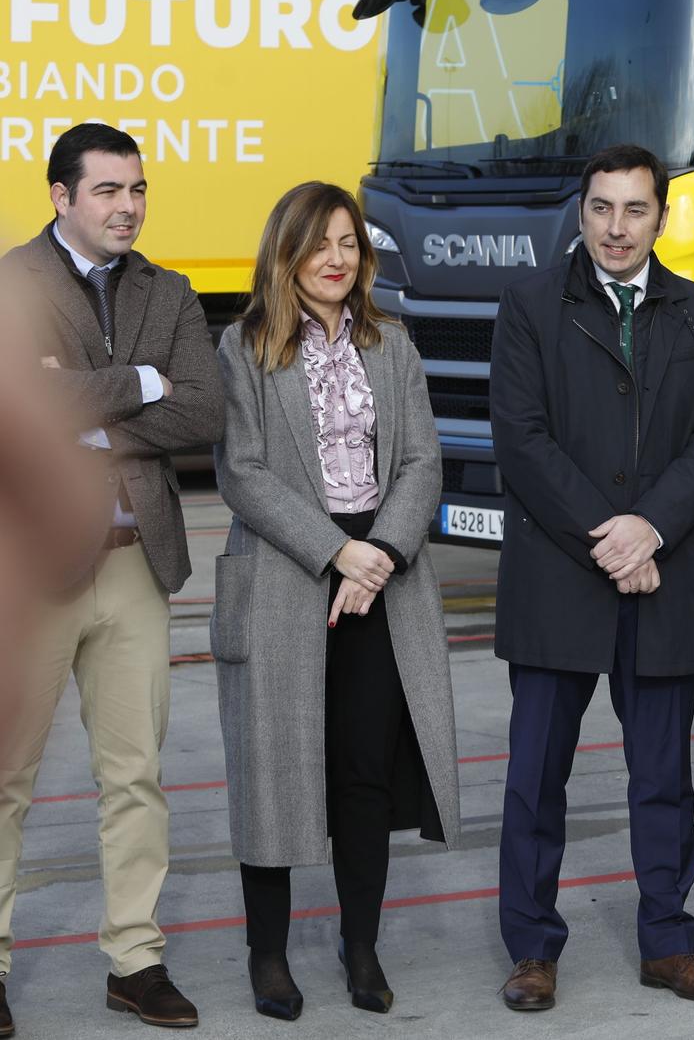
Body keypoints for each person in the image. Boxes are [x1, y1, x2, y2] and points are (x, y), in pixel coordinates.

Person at [489, 145, 694, 1012]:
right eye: (601, 208)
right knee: (535, 778)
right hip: (565, 574)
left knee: (664, 776)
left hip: (659, 578)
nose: (617, 227)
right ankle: (531, 948)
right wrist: (610, 539)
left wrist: (653, 529)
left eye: (635, 210)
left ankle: (669, 943)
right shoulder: (530, 306)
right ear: (582, 211)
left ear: (661, 218)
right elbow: (521, 439)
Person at [211, 182, 461, 1019]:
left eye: (349, 243)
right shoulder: (243, 345)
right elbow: (240, 473)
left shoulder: (392, 344)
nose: (336, 259)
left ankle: (361, 948)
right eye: (319, 243)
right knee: (274, 771)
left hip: (381, 579)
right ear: (286, 251)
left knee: (362, 774)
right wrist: (337, 549)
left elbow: (424, 461)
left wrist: (380, 551)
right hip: (290, 573)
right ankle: (270, 957)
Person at [0, 122, 223, 1033]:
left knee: (134, 775)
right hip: (34, 566)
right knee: (6, 778)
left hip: (137, 564)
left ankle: (136, 959)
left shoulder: (168, 290)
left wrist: (82, 409)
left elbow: (206, 409)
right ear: (60, 196)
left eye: (137, 189)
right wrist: (144, 380)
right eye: (108, 191)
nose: (128, 206)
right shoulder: (12, 285)